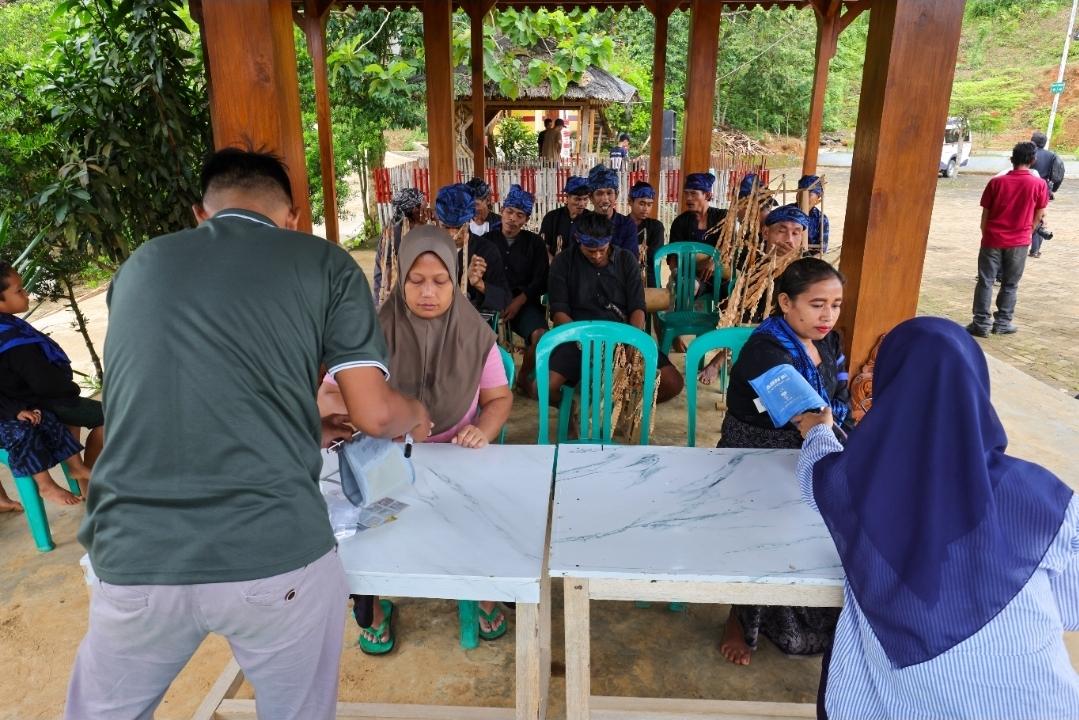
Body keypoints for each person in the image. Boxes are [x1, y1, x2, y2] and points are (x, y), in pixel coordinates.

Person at [66, 148, 432, 720]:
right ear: (289, 217)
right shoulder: (325, 263)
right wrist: (415, 410)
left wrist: (304, 425)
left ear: (200, 215)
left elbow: (166, 402)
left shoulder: (141, 265)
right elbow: (376, 416)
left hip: (134, 553)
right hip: (273, 551)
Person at [794, 317, 1079, 720]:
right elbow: (1070, 605)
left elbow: (814, 474)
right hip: (1039, 700)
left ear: (889, 389)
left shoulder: (853, 484)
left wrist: (819, 431)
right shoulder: (1042, 494)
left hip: (902, 697)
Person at [318, 227, 513, 653]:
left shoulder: (476, 337)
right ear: (400, 277)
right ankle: (373, 602)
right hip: (385, 456)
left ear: (455, 280)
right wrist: (377, 418)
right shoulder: (370, 334)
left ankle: (479, 586)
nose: (428, 292)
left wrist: (483, 429)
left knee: (476, 516)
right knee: (361, 530)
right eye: (416, 280)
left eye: (440, 282)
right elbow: (328, 394)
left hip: (455, 453)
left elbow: (498, 398)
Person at [716, 257, 850, 666]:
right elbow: (809, 417)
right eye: (817, 304)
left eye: (836, 304)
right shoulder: (765, 351)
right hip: (755, 456)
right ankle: (738, 619)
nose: (828, 315)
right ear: (786, 302)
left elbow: (839, 400)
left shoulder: (828, 340)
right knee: (759, 537)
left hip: (810, 447)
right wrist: (834, 434)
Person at [547, 212, 684, 404]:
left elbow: (638, 306)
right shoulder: (563, 262)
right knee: (544, 388)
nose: (597, 255)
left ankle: (623, 407)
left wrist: (633, 340)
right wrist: (583, 341)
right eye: (590, 250)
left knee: (673, 383)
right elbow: (559, 311)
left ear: (609, 241)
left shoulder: (626, 260)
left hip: (622, 334)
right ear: (578, 240)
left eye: (602, 249)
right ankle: (571, 412)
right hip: (578, 337)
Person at [0, 262, 102, 506]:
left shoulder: (9, 327)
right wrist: (70, 390)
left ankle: (82, 477)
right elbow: (44, 383)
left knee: (69, 413)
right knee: (111, 416)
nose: (26, 294)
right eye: (19, 291)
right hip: (37, 402)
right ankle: (84, 480)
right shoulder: (12, 340)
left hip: (25, 402)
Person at [966, 141, 1048, 338]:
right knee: (1010, 284)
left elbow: (985, 214)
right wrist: (1028, 231)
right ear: (1033, 160)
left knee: (986, 281)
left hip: (992, 238)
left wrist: (986, 233)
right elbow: (1040, 214)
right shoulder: (1039, 184)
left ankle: (981, 324)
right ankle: (1003, 322)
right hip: (1019, 241)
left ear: (1012, 159)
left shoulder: (996, 182)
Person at [484, 185, 549, 396]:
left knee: (540, 335)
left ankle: (523, 376)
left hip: (523, 302)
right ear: (502, 211)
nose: (513, 219)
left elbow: (540, 279)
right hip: (491, 303)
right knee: (477, 338)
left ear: (526, 220)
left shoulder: (535, 243)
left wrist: (519, 300)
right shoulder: (486, 242)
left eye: (520, 215)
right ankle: (488, 382)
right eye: (509, 212)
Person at [434, 183, 510, 317]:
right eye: (446, 227)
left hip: (473, 322)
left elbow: (504, 300)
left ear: (469, 221)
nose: (452, 234)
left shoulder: (486, 251)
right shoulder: (428, 250)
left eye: (458, 227)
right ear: (437, 222)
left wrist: (479, 284)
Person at [668, 172, 729, 299]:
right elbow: (673, 256)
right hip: (691, 276)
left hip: (720, 275)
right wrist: (677, 276)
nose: (688, 198)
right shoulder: (680, 222)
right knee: (689, 287)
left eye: (694, 193)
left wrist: (714, 261)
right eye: (686, 193)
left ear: (707, 195)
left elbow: (730, 245)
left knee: (733, 289)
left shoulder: (722, 217)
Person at [373, 187, 427, 301]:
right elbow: (387, 269)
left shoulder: (415, 228)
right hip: (391, 295)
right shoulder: (394, 234)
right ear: (415, 210)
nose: (427, 209)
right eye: (424, 206)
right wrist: (387, 297)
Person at [587, 164, 638, 256]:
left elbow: (630, 262)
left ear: (616, 195)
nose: (605, 199)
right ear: (591, 197)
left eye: (609, 193)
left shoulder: (627, 225)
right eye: (599, 194)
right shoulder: (583, 225)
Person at [1029, 131, 1065, 258]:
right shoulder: (1052, 155)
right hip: (1043, 189)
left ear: (1032, 141)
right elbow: (1059, 173)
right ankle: (1035, 250)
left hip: (1027, 187)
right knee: (1040, 216)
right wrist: (1053, 189)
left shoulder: (1028, 153)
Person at [540, 175, 590, 259]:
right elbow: (543, 248)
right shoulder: (551, 218)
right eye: (577, 199)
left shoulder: (591, 219)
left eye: (585, 199)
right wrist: (554, 265)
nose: (582, 204)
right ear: (567, 198)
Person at [627, 180, 665, 287]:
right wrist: (638, 249)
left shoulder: (656, 227)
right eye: (642, 203)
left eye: (649, 204)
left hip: (649, 277)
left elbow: (655, 255)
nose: (646, 209)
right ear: (630, 201)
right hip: (624, 276)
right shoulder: (621, 224)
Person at [798, 175, 829, 255]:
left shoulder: (821, 219)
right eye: (800, 192)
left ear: (818, 198)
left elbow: (822, 250)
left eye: (809, 194)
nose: (803, 197)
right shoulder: (786, 212)